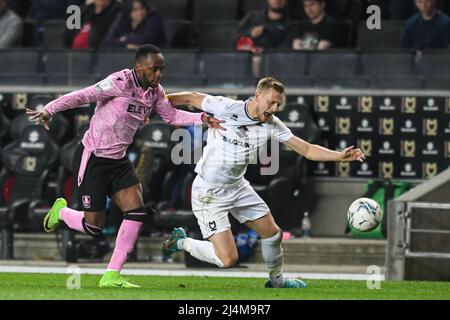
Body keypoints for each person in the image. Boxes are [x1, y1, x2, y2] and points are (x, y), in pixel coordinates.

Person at [26, 44, 225, 288]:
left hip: (119, 161)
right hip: (94, 158)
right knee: (93, 226)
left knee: (137, 211)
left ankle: (111, 275)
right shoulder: (118, 83)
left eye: (161, 69)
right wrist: (49, 109)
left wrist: (202, 118)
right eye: (154, 69)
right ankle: (62, 212)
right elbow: (82, 96)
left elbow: (172, 116)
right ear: (139, 67)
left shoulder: (154, 92)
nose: (159, 74)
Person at [162, 77, 365, 288]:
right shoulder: (225, 107)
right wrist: (154, 103)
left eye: (279, 104)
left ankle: (277, 282)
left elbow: (306, 149)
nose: (275, 108)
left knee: (273, 234)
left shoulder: (272, 125)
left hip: (237, 187)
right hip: (208, 192)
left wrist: (339, 156)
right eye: (271, 102)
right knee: (228, 260)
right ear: (258, 95)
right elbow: (190, 97)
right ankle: (180, 242)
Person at [235, 0, 294, 76]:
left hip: (274, 66)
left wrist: (267, 52)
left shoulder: (289, 24)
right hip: (247, 63)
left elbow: (287, 47)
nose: (277, 0)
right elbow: (235, 38)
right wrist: (250, 33)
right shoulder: (252, 17)